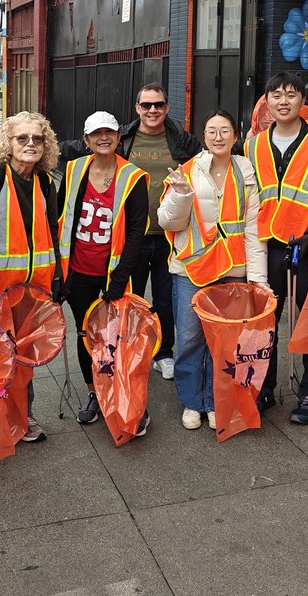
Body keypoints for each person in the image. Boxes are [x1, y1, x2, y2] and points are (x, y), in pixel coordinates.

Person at [60, 84, 201, 381]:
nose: (153, 110)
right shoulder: (122, 138)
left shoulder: (181, 140)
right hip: (126, 242)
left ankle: (162, 353)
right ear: (137, 108)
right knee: (128, 303)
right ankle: (123, 359)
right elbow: (79, 149)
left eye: (158, 104)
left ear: (167, 106)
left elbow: (207, 158)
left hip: (166, 235)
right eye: (146, 105)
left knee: (163, 299)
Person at [244, 72, 308, 423]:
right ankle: (265, 387)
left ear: (304, 102)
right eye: (276, 95)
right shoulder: (253, 146)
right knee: (264, 320)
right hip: (267, 245)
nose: (283, 101)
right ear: (266, 102)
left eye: (291, 95)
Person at [158, 110, 268, 431]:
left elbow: (252, 230)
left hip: (232, 270)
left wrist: (257, 279)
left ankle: (214, 402)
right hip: (190, 269)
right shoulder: (187, 171)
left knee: (224, 342)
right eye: (211, 131)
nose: (218, 136)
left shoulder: (247, 174)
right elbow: (168, 221)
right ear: (203, 137)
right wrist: (180, 194)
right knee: (191, 338)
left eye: (225, 130)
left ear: (236, 136)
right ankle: (192, 403)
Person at [57, 112, 151, 430]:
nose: (103, 138)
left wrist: (121, 277)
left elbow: (138, 230)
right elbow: (60, 218)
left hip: (114, 275)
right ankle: (94, 394)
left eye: (109, 132)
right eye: (96, 134)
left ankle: (123, 393)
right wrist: (61, 273)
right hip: (79, 271)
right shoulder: (73, 170)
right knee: (87, 336)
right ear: (86, 141)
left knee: (116, 339)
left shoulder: (132, 177)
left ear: (118, 136)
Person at [0, 111, 62, 443]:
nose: (30, 144)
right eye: (22, 138)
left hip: (34, 289)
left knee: (24, 358)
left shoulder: (45, 181)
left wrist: (57, 277)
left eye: (37, 139)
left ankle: (22, 418)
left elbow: (52, 232)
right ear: (8, 143)